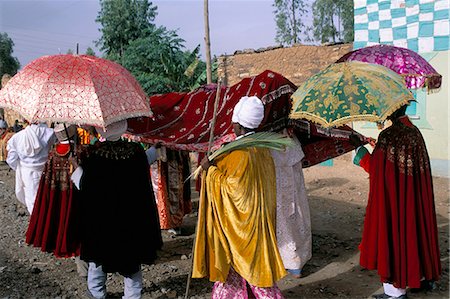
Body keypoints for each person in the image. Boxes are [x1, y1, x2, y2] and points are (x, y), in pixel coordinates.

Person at [193, 96, 286, 298]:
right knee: (254, 271)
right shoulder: (263, 150)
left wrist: (211, 172)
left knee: (243, 269)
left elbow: (232, 192)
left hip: (240, 230)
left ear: (236, 124)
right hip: (260, 223)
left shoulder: (237, 154)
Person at [350, 105, 441, 299]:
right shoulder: (413, 131)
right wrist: (379, 148)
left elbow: (378, 170)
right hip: (413, 195)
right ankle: (423, 276)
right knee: (416, 228)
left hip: (395, 199)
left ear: (390, 110)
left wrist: (361, 152)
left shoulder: (389, 136)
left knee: (395, 233)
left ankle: (395, 292)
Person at [70, 120, 162, 299]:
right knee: (132, 261)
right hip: (131, 219)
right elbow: (147, 159)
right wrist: (155, 149)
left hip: (102, 221)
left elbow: (84, 185)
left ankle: (97, 294)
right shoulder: (135, 152)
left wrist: (76, 166)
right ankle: (132, 296)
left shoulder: (94, 156)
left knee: (98, 259)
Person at [270, 129, 311, 278]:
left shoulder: (265, 140)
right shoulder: (292, 138)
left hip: (278, 186)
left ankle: (286, 262)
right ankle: (295, 264)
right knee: (293, 219)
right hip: (291, 186)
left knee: (281, 220)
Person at [6, 122, 56, 214]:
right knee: (46, 195)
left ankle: (35, 221)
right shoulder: (49, 132)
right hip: (45, 170)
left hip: (27, 172)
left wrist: (20, 167)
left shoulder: (16, 138)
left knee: (31, 198)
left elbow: (11, 159)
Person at [149, 146, 192, 235]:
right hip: (159, 154)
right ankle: (163, 220)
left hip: (173, 154)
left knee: (173, 188)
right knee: (159, 188)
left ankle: (174, 222)